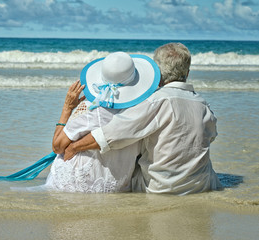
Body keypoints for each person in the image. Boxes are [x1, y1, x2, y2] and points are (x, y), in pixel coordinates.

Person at [64, 43, 223, 195]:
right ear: (187, 73)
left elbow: (114, 134)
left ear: (158, 72)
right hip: (203, 184)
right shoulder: (202, 104)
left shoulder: (156, 101)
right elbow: (212, 135)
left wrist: (74, 147)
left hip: (162, 188)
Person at [44, 52, 161, 193]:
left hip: (73, 183)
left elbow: (57, 147)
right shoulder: (144, 110)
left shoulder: (91, 109)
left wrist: (67, 108)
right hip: (117, 184)